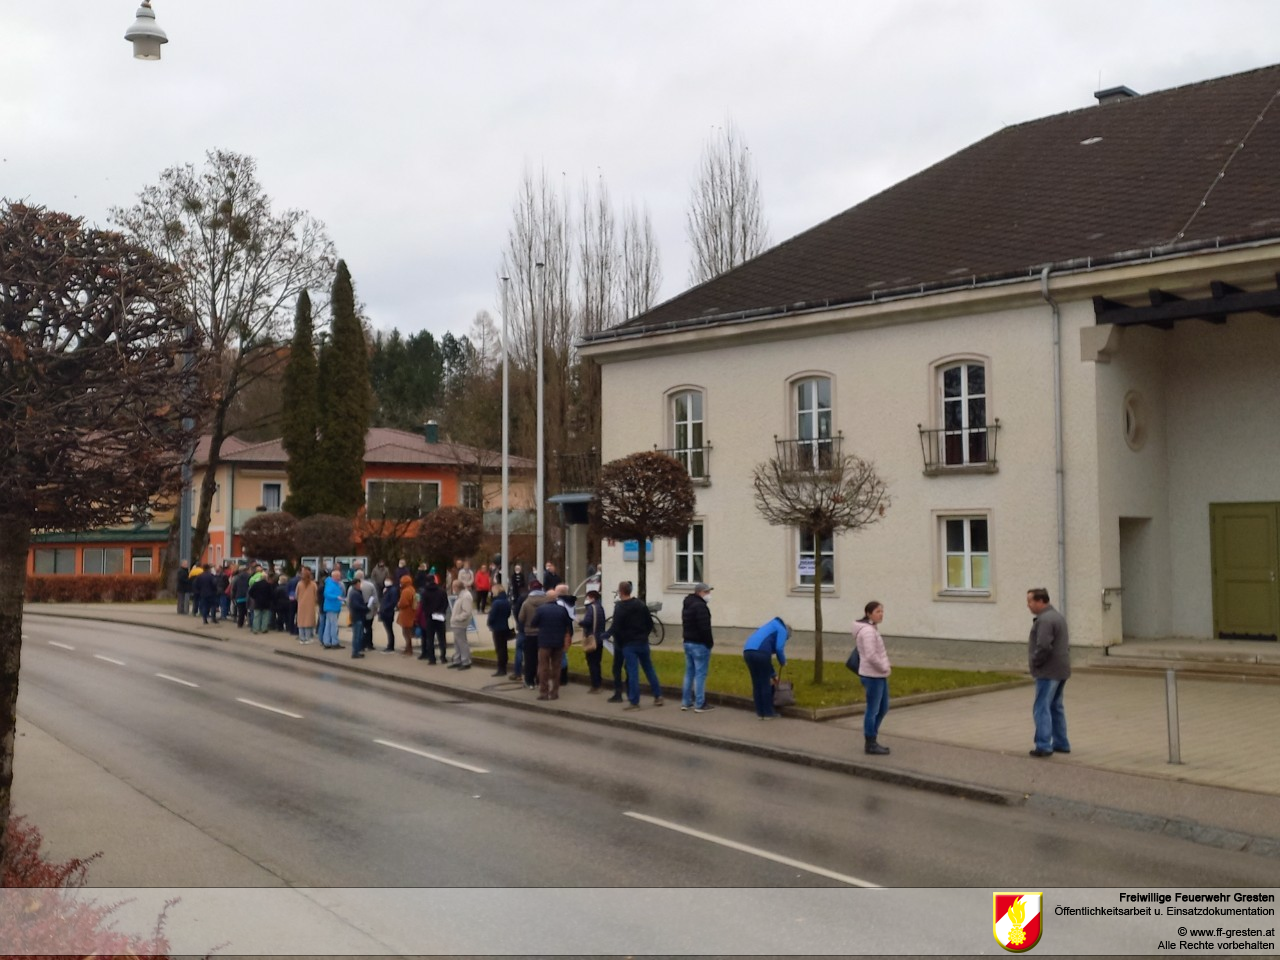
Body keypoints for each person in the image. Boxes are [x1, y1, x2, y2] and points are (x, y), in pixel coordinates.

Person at [1027, 587, 1071, 758]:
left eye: (1030, 601)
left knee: (1042, 707)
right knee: (1056, 706)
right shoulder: (1058, 617)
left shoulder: (1044, 620)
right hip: (1061, 669)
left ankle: (1043, 745)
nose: (1028, 605)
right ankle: (1061, 742)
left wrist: (1035, 661)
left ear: (1040, 601)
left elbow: (1044, 645)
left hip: (1048, 670)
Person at [610, 580, 664, 710]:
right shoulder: (640, 604)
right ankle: (658, 696)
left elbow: (616, 627)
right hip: (642, 642)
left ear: (620, 592)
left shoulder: (620, 607)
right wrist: (644, 635)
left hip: (628, 644)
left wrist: (619, 641)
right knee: (649, 669)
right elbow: (650, 623)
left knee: (633, 672)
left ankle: (634, 702)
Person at [853, 601, 891, 754]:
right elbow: (871, 655)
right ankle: (870, 742)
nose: (881, 614)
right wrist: (884, 667)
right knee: (873, 709)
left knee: (883, 707)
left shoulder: (871, 628)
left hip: (878, 674)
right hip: (872, 675)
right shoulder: (868, 631)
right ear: (868, 614)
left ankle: (872, 736)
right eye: (877, 611)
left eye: (882, 611)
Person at [742, 617, 789, 720]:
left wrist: (773, 674)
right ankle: (768, 713)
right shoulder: (782, 630)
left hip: (747, 652)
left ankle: (760, 713)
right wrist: (783, 661)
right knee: (764, 684)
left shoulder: (769, 626)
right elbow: (779, 648)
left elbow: (767, 660)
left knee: (757, 683)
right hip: (761, 653)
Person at [532, 589, 573, 700]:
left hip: (544, 642)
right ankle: (554, 692)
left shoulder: (541, 610)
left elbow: (533, 623)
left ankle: (544, 692)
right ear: (556, 598)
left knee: (544, 668)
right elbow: (568, 624)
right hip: (558, 643)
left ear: (546, 598)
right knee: (556, 668)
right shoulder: (562, 610)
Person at [681, 582, 715, 712]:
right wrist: (709, 643)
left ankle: (686, 701)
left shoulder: (688, 604)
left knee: (689, 673)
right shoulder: (701, 607)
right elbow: (704, 628)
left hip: (688, 642)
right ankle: (700, 703)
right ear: (700, 592)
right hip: (700, 644)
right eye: (707, 592)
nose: (709, 595)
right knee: (700, 674)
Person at [517, 579, 550, 689]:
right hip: (543, 634)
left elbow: (521, 618)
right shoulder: (547, 601)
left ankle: (529, 681)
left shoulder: (526, 602)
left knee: (530, 659)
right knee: (542, 659)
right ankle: (540, 679)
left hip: (530, 634)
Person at [579, 588, 607, 693]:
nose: (586, 599)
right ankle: (599, 683)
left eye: (588, 597)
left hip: (592, 639)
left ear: (592, 598)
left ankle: (595, 685)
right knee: (597, 662)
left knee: (592, 663)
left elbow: (587, 622)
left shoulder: (591, 609)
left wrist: (580, 622)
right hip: (599, 638)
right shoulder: (600, 608)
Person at [418, 575, 449, 663]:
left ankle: (432, 658)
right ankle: (443, 657)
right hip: (440, 617)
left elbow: (423, 606)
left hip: (430, 618)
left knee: (430, 638)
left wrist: (429, 613)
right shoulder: (442, 591)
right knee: (442, 638)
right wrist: (441, 612)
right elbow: (445, 603)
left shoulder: (425, 592)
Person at [487, 584, 513, 677]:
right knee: (504, 647)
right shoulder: (507, 601)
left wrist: (489, 623)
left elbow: (492, 616)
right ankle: (504, 666)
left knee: (499, 648)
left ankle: (501, 668)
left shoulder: (496, 603)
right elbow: (508, 614)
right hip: (505, 626)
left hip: (497, 627)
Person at [448, 580, 475, 669]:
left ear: (457, 587)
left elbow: (466, 612)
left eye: (454, 587)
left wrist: (457, 618)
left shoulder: (466, 596)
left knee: (462, 642)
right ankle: (457, 659)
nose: (453, 589)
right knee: (457, 642)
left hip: (460, 623)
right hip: (456, 623)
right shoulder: (460, 595)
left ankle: (465, 661)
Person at [320, 568, 344, 648]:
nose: (339, 578)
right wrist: (337, 597)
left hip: (331, 607)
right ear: (334, 576)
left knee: (328, 625)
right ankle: (334, 642)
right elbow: (327, 594)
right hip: (332, 607)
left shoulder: (332, 583)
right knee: (333, 625)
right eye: (338, 576)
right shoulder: (331, 584)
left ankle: (327, 642)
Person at [295, 565, 318, 644]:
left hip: (301, 604)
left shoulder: (299, 584)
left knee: (301, 621)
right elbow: (316, 595)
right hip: (310, 605)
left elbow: (296, 595)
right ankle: (308, 638)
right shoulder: (313, 584)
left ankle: (302, 638)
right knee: (309, 621)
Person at [347, 575, 369, 658]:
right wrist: (365, 608)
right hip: (357, 617)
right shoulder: (354, 593)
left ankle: (357, 651)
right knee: (357, 635)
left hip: (358, 616)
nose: (360, 586)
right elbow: (356, 605)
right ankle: (355, 652)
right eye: (359, 584)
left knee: (359, 635)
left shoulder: (356, 592)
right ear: (356, 584)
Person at [395, 574, 417, 656]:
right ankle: (408, 648)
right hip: (411, 613)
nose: (400, 583)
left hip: (406, 614)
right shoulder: (412, 589)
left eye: (402, 582)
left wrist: (398, 604)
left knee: (406, 633)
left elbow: (403, 603)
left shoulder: (406, 591)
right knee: (408, 632)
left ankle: (408, 649)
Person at [378, 575, 399, 652]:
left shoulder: (392, 590)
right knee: (388, 630)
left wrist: (385, 608)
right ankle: (390, 645)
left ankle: (390, 646)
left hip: (388, 613)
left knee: (389, 630)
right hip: (385, 612)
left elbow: (393, 602)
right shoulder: (387, 589)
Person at [231, 564, 251, 628]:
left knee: (241, 611)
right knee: (248, 611)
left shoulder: (237, 577)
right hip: (247, 596)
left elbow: (234, 588)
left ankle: (240, 624)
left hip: (239, 596)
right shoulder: (249, 577)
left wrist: (233, 596)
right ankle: (249, 623)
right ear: (247, 570)